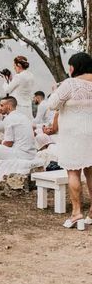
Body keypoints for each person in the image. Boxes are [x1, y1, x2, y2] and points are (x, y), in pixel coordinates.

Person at [46, 52, 92, 229]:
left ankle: (76, 213)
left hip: (73, 135)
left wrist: (54, 91)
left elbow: (52, 104)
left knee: (73, 172)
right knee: (90, 172)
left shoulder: (70, 84)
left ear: (74, 67)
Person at [0, 96, 37, 165]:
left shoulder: (9, 118)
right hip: (31, 154)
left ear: (9, 107)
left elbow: (8, 143)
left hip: (20, 154)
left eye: (2, 105)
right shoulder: (23, 116)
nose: (0, 108)